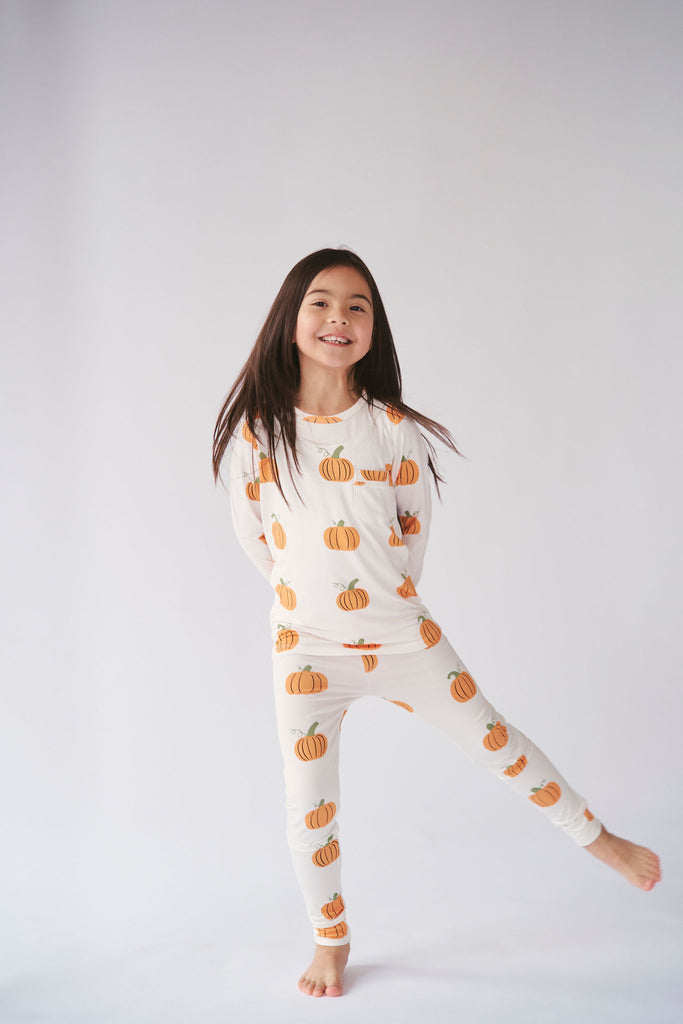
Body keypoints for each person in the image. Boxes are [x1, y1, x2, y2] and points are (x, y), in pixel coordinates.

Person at [212, 247, 661, 998]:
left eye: (357, 307)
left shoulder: (392, 430)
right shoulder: (261, 433)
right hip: (306, 647)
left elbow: (410, 538)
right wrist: (308, 601)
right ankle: (330, 938)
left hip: (400, 637)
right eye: (321, 302)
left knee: (496, 742)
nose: (338, 318)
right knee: (308, 808)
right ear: (290, 319)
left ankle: (600, 839)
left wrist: (380, 601)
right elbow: (255, 539)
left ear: (373, 331)